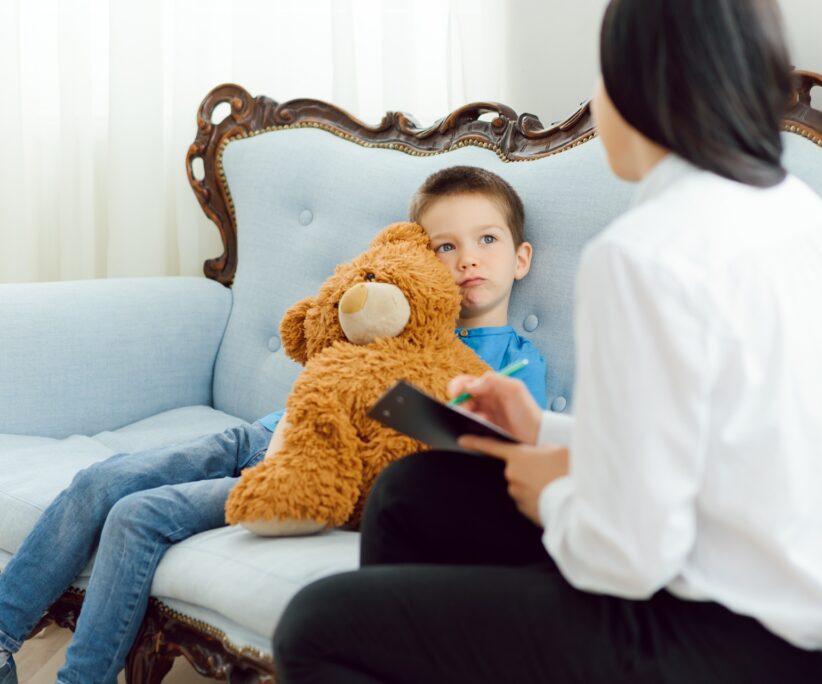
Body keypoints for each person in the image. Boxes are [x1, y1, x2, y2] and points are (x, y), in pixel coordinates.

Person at [270, 0, 822, 682]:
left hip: (720, 644)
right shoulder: (809, 224)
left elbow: (627, 557)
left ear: (641, 87)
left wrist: (554, 497)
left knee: (315, 626)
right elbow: (705, 448)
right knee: (409, 494)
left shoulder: (646, 251)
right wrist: (542, 430)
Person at [0, 165, 545, 684]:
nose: (467, 259)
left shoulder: (516, 369)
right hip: (262, 430)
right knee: (100, 480)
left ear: (521, 258)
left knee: (138, 514)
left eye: (487, 240)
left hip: (304, 468)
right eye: (445, 246)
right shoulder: (392, 310)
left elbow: (485, 458)